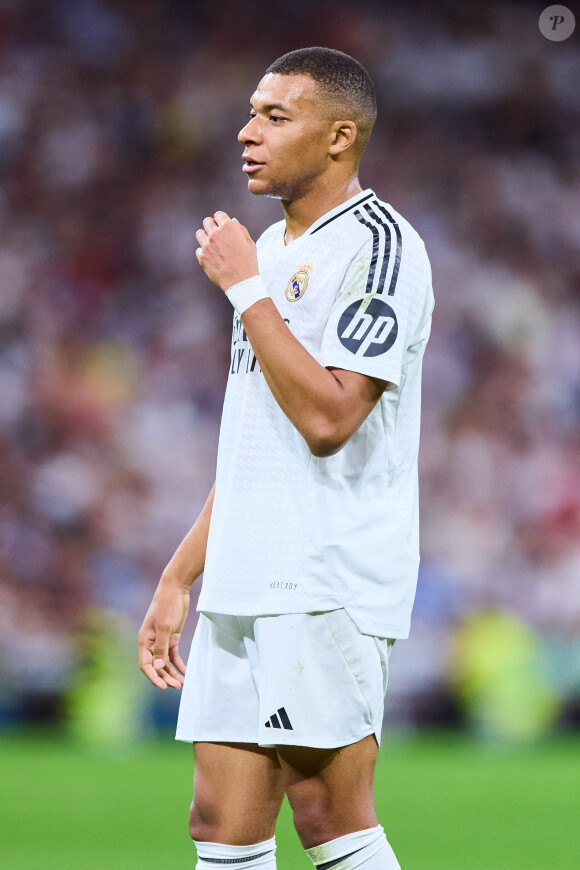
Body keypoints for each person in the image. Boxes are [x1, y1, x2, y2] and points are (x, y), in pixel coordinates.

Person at [138, 46, 433, 870]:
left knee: (329, 818)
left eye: (275, 116)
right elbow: (256, 443)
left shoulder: (380, 247)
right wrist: (178, 576)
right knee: (220, 823)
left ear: (340, 136)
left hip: (324, 580)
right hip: (244, 572)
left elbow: (332, 417)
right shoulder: (268, 249)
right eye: (251, 113)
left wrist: (246, 290)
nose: (246, 133)